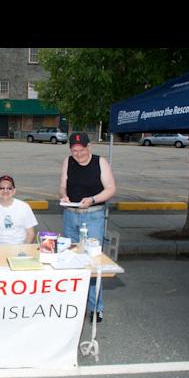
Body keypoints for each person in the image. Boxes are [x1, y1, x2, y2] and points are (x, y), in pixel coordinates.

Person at [59, 133, 116, 322]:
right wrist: (64, 195)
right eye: (74, 151)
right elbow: (62, 186)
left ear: (89, 147)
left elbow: (110, 189)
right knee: (70, 259)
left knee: (92, 262)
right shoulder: (68, 162)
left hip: (93, 215)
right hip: (71, 215)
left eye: (81, 150)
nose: (78, 154)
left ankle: (96, 307)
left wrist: (92, 199)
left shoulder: (100, 162)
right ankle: (74, 306)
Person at [0, 175, 38, 244]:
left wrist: (24, 249)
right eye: (2, 188)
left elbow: (31, 234)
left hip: (21, 246)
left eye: (9, 188)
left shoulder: (25, 207)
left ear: (14, 191)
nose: (5, 191)